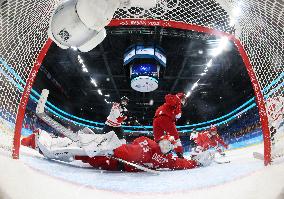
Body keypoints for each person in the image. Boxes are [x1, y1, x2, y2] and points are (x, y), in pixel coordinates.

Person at [153, 92, 186, 158]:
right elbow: (177, 115)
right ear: (182, 99)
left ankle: (157, 155)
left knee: (158, 139)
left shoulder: (165, 104)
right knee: (175, 137)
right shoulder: (178, 102)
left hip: (155, 119)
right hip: (166, 118)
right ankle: (180, 155)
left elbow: (167, 97)